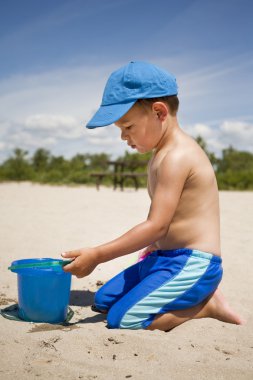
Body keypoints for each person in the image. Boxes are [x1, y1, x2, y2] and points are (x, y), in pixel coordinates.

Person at [62, 61, 244, 331]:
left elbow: (156, 225)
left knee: (123, 319)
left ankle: (206, 306)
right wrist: (154, 245)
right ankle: (177, 292)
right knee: (103, 301)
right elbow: (163, 219)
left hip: (192, 263)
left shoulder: (177, 156)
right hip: (165, 256)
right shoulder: (159, 155)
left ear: (159, 112)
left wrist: (98, 255)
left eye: (128, 126)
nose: (123, 137)